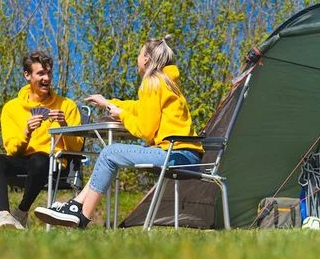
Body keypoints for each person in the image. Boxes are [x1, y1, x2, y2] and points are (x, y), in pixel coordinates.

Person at [33, 35, 203, 229]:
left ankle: (80, 216)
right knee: (109, 155)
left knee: (109, 153)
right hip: (190, 157)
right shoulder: (166, 82)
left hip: (175, 155)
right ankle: (76, 206)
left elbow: (145, 130)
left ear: (146, 59)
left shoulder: (152, 83)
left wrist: (121, 115)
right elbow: (139, 107)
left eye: (139, 54)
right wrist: (108, 103)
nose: (137, 59)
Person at [0, 51, 82, 230]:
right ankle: (4, 215)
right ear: (27, 75)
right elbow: (12, 150)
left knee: (39, 159)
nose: (46, 78)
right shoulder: (11, 108)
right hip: (22, 160)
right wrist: (27, 132)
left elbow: (76, 149)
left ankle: (21, 212)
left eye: (49, 73)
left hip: (53, 163)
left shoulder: (67, 105)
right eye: (41, 73)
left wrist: (64, 126)